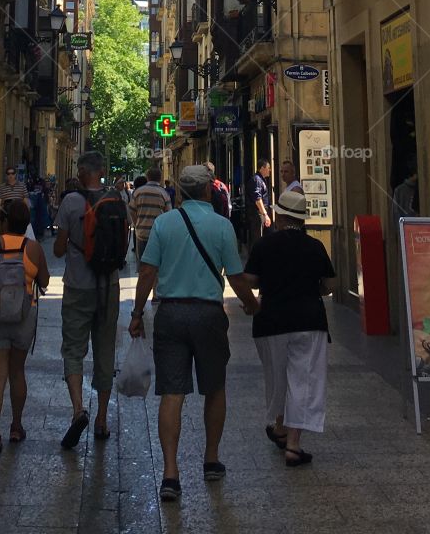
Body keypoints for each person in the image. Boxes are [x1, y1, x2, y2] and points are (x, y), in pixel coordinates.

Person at [129, 164, 258, 503]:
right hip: (208, 315)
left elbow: (147, 272)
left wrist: (137, 313)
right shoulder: (222, 226)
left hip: (171, 314)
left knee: (172, 393)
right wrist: (251, 304)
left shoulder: (164, 224)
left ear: (181, 192)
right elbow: (235, 276)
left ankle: (170, 474)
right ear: (207, 191)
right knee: (214, 387)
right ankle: (211, 459)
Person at [243, 188, 337, 466]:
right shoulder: (314, 246)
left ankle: (280, 427)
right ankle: (293, 444)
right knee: (303, 380)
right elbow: (330, 285)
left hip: (271, 321)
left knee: (277, 378)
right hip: (309, 320)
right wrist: (313, 289)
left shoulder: (264, 245)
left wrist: (262, 289)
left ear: (281, 216)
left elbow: (250, 279)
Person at [54, 151, 129, 448]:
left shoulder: (71, 202)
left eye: (79, 168)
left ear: (85, 171)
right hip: (109, 286)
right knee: (105, 350)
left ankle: (78, 410)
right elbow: (125, 241)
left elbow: (58, 249)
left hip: (77, 286)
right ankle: (101, 419)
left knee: (73, 349)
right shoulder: (116, 200)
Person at [0, 198, 50, 455]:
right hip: (24, 317)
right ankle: (16, 426)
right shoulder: (33, 248)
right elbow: (45, 280)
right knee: (17, 372)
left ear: (4, 221)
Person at [129, 165, 171, 262]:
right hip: (158, 235)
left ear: (147, 177)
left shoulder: (138, 192)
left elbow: (131, 210)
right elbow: (168, 215)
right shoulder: (164, 193)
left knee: (142, 263)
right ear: (160, 178)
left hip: (141, 234)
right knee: (157, 264)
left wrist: (137, 225)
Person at [247, 159, 272, 248]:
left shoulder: (262, 179)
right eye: (268, 168)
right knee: (257, 238)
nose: (270, 170)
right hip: (258, 213)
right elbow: (258, 199)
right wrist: (265, 214)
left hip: (261, 213)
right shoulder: (257, 180)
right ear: (262, 168)